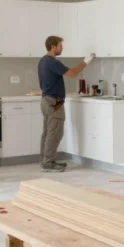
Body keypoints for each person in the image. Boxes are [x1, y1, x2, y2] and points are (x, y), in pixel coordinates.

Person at [38, 36, 94, 172]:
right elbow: (73, 73)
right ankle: (48, 163)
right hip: (53, 103)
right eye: (60, 45)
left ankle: (46, 160)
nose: (62, 48)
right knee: (54, 133)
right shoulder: (52, 62)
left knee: (47, 133)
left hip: (46, 101)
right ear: (53, 47)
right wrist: (86, 61)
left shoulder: (42, 61)